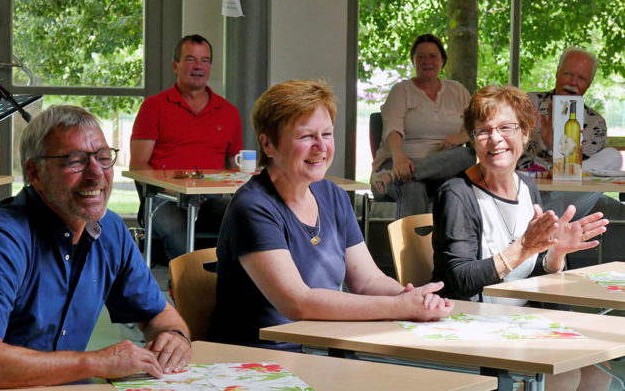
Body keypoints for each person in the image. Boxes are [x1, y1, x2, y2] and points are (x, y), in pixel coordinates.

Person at [0, 105, 192, 390]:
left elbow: (160, 315)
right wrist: (96, 362)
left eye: (103, 158)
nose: (96, 174)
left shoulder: (110, 231)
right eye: (74, 161)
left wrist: (175, 337)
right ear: (35, 173)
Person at [212, 79, 454, 350]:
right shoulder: (253, 207)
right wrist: (399, 306)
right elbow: (297, 302)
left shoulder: (333, 196)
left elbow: (368, 281)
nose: (321, 147)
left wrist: (411, 297)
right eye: (305, 136)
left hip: (323, 349)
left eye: (327, 134)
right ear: (268, 145)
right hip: (261, 361)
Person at [432, 85, 611, 391]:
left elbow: (529, 273)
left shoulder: (526, 187)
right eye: (483, 131)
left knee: (599, 371)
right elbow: (459, 280)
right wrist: (525, 247)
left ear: (526, 133)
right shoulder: (457, 194)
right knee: (566, 376)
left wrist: (555, 254)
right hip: (475, 325)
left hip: (521, 319)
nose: (495, 138)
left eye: (506, 128)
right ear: (473, 140)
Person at [130, 34, 242, 262]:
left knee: (248, 223)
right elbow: (138, 165)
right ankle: (184, 293)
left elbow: (235, 167)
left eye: (205, 60)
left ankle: (230, 290)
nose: (199, 66)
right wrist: (174, 190)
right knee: (181, 239)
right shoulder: (154, 107)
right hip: (164, 199)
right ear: (175, 65)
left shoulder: (229, 112)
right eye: (191, 59)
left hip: (212, 200)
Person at [370, 34, 475, 218]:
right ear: (413, 61)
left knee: (468, 155)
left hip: (444, 169)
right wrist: (399, 158)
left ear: (442, 60)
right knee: (413, 187)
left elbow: (476, 124)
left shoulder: (457, 90)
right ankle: (413, 247)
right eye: (421, 56)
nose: (427, 61)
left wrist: (462, 137)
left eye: (433, 56)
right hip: (398, 161)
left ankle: (393, 175)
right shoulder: (401, 90)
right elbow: (392, 128)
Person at [518, 47, 621, 220]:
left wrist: (554, 148)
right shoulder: (528, 103)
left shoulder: (595, 122)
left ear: (589, 83)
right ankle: (546, 220)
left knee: (613, 156)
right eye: (568, 74)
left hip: (566, 200)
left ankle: (548, 220)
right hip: (525, 194)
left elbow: (578, 178)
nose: (573, 82)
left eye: (581, 78)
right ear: (557, 73)